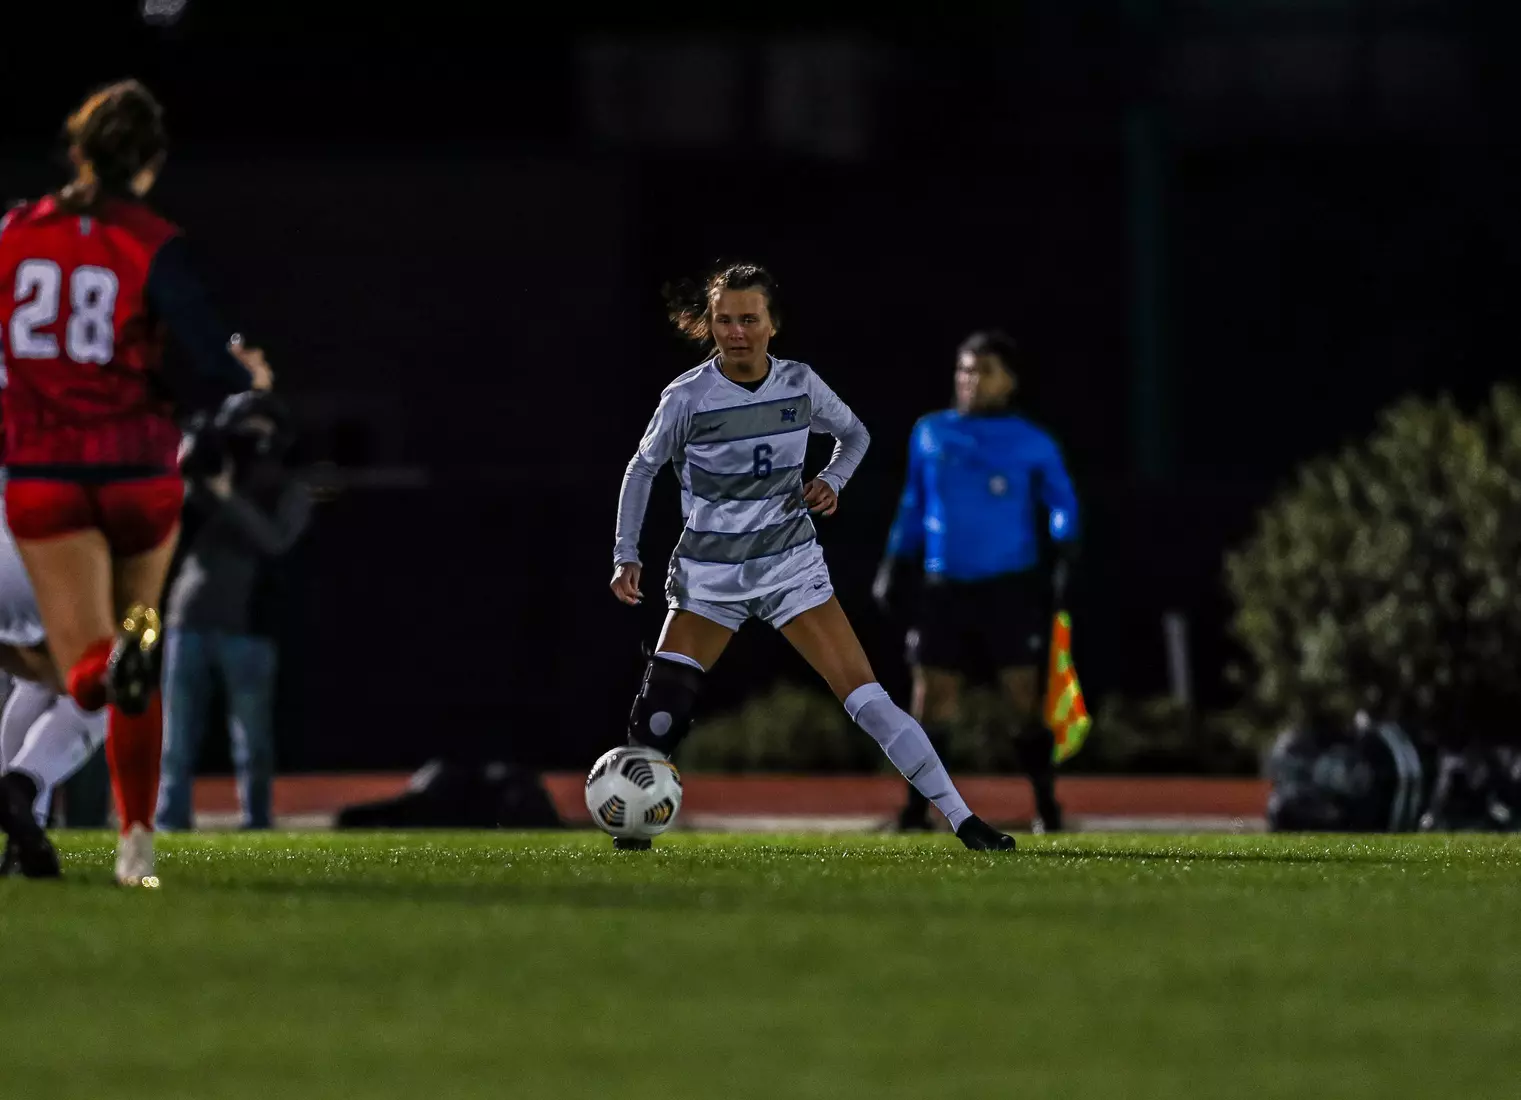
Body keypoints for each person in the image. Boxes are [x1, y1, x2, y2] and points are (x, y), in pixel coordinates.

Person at [609, 262, 1014, 852]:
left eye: (749, 319)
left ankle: (962, 820)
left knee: (870, 701)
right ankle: (634, 832)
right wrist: (626, 554)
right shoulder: (688, 396)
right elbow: (640, 469)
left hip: (789, 568)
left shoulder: (800, 384)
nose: (736, 331)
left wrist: (834, 478)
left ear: (774, 324)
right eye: (725, 320)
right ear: (711, 324)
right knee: (659, 716)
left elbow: (856, 434)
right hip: (711, 575)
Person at [0, 79, 272, 886]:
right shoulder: (150, 240)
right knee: (127, 656)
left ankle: (31, 796)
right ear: (148, 164)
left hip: (38, 473)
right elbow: (208, 366)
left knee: (72, 664)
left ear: (76, 150)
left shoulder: (14, 235)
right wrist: (240, 381)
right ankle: (134, 846)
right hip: (132, 467)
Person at [872, 330, 1079, 833]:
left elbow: (1062, 504)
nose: (971, 380)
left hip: (1007, 586)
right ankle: (915, 811)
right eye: (964, 369)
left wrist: (1065, 548)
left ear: (1009, 381)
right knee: (929, 697)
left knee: (1020, 699)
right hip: (944, 584)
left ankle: (1048, 808)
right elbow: (914, 504)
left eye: (984, 370)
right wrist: (894, 562)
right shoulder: (930, 433)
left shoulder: (1033, 441)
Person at [156, 390, 310, 831]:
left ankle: (257, 821)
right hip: (187, 619)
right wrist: (195, 459)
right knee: (177, 739)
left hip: (249, 627)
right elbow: (172, 506)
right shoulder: (209, 477)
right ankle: (170, 821)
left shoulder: (288, 488)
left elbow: (274, 541)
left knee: (253, 741)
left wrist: (228, 495)